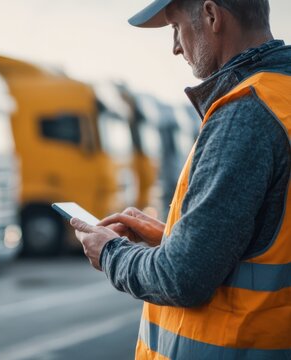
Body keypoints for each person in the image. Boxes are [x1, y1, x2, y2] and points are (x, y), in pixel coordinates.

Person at [70, 0, 291, 358]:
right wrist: (174, 238)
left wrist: (109, 251)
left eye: (175, 27)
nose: (175, 47)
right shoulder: (283, 99)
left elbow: (183, 278)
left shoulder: (246, 112)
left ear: (211, 15)